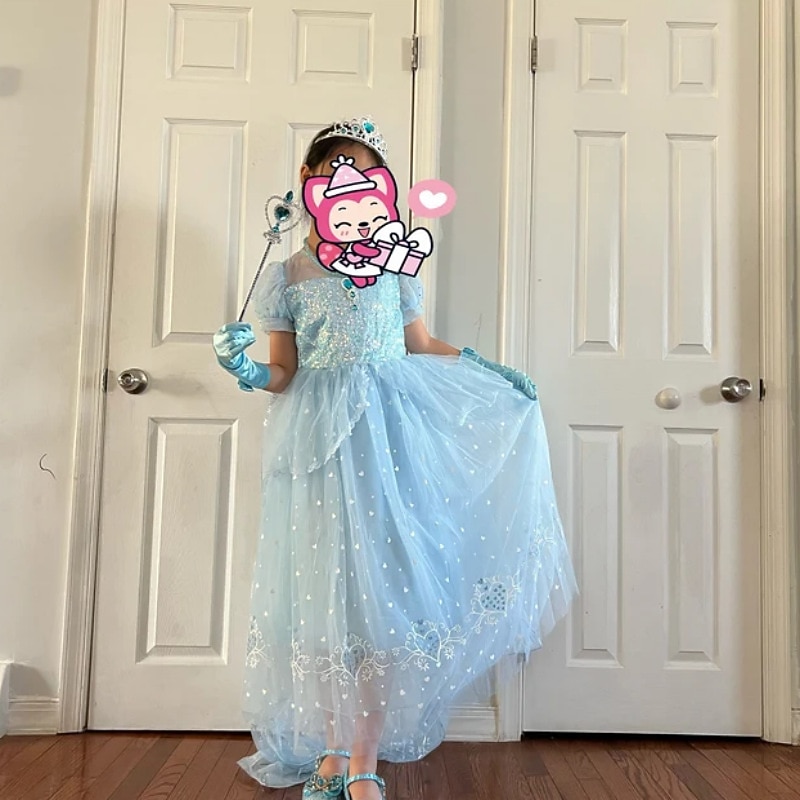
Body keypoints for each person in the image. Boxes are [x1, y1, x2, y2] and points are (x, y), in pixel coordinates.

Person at [212, 116, 576, 800]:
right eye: (334, 171)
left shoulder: (392, 265)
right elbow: (284, 373)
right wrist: (244, 368)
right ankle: (330, 752)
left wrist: (490, 370)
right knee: (325, 601)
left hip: (389, 441)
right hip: (319, 444)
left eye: (363, 172)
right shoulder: (288, 275)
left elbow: (420, 343)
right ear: (309, 181)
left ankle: (364, 758)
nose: (348, 184)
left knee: (382, 598)